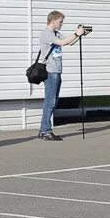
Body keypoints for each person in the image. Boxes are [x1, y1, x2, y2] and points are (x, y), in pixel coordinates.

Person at [35, 10, 87, 141]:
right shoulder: (46, 34)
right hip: (51, 72)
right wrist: (76, 33)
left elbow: (68, 42)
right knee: (50, 102)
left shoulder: (55, 33)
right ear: (53, 21)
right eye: (60, 21)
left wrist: (79, 35)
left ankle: (44, 130)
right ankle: (45, 130)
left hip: (57, 72)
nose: (62, 23)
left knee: (53, 101)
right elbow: (62, 43)